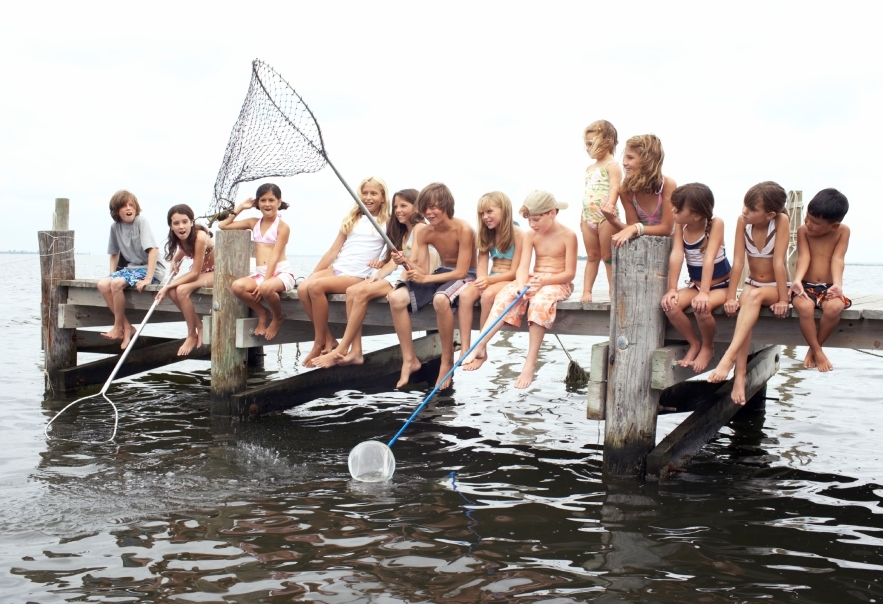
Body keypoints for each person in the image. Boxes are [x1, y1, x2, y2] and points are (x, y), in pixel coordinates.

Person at [462, 191, 578, 389]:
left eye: (536, 219)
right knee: (505, 294)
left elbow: (570, 274)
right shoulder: (531, 235)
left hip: (558, 282)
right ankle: (480, 344)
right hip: (535, 279)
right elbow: (523, 268)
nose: (532, 225)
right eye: (529, 220)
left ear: (552, 213)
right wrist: (521, 285)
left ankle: (529, 363)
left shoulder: (569, 236)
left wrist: (544, 282)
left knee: (539, 303)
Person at [310, 188, 427, 369]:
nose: (398, 210)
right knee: (352, 291)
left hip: (406, 280)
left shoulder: (420, 229)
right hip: (393, 277)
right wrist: (376, 275)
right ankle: (356, 351)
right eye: (396, 206)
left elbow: (415, 263)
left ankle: (341, 348)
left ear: (417, 208)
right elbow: (393, 263)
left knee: (360, 292)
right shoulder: (404, 232)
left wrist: (398, 285)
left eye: (404, 206)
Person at [387, 183, 476, 389]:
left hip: (467, 276)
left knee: (440, 299)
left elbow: (462, 272)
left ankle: (446, 361)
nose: (429, 213)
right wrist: (405, 261)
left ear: (446, 205)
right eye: (425, 208)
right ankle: (409, 359)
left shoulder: (464, 229)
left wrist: (425, 279)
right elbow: (423, 270)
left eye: (434, 207)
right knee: (396, 298)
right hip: (442, 274)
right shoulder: (425, 232)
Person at [708, 181, 790, 404]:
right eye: (745, 205)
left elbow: (779, 262)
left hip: (774, 287)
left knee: (752, 298)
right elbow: (737, 261)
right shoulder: (742, 222)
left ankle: (729, 359)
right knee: (746, 306)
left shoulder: (781, 221)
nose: (745, 211)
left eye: (753, 209)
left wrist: (784, 298)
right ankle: (739, 375)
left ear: (770, 214)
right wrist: (731, 296)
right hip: (752, 283)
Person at [298, 177, 390, 366]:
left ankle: (317, 344)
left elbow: (394, 254)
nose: (368, 197)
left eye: (373, 193)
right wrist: (314, 273)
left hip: (356, 275)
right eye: (365, 193)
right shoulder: (353, 219)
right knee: (303, 288)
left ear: (383, 197)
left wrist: (381, 263)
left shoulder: (387, 223)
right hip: (338, 269)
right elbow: (333, 251)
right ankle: (328, 339)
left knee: (315, 287)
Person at [660, 183, 731, 372]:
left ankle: (708, 346)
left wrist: (705, 293)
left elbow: (709, 258)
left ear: (697, 215)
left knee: (702, 308)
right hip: (696, 286)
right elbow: (677, 255)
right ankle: (694, 343)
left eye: (679, 208)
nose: (673, 210)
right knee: (670, 306)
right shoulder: (681, 226)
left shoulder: (716, 224)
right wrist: (672, 289)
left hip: (721, 286)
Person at [217, 183, 295, 341]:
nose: (267, 204)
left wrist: (265, 281)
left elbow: (274, 256)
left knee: (266, 288)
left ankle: (277, 317)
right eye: (263, 200)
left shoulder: (283, 227)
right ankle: (262, 312)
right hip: (261, 273)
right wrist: (241, 207)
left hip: (280, 273)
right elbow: (223, 225)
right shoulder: (254, 223)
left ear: (279, 202)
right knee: (237, 286)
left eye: (271, 200)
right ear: (257, 203)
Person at [456, 191, 524, 360]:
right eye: (482, 213)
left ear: (504, 210)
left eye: (489, 212)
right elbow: (482, 264)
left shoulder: (518, 234)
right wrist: (481, 280)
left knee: (487, 295)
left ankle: (481, 347)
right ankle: (465, 348)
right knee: (465, 295)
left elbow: (515, 271)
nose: (485, 217)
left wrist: (489, 281)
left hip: (511, 279)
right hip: (492, 278)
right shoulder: (486, 234)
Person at [789, 188, 851, 372]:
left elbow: (837, 259)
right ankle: (818, 350)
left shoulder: (842, 232)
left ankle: (813, 348)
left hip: (829, 286)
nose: (808, 223)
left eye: (815, 222)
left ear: (833, 226)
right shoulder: (803, 231)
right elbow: (804, 258)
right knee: (805, 307)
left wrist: (838, 286)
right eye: (807, 218)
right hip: (805, 285)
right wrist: (797, 280)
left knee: (835, 308)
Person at [97, 190, 166, 350]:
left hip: (151, 269)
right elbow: (114, 254)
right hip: (132, 268)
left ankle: (117, 326)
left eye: (131, 205)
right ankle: (127, 327)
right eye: (123, 206)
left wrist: (148, 278)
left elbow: (153, 250)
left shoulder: (141, 221)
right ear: (116, 211)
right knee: (103, 284)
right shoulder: (115, 227)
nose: (128, 208)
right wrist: (111, 274)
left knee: (116, 284)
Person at [154, 204, 215, 356]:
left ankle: (191, 334)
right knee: (174, 293)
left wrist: (166, 287)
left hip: (217, 272)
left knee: (180, 290)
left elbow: (194, 274)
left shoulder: (199, 237)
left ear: (192, 222)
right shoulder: (180, 238)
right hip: (201, 272)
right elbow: (182, 251)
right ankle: (199, 326)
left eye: (185, 222)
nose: (181, 227)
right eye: (176, 223)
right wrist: (174, 260)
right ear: (170, 226)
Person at [607, 134, 677, 248]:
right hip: (643, 249)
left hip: (668, 250)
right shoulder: (626, 191)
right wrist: (613, 220)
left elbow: (666, 228)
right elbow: (631, 229)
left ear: (647, 160)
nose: (624, 162)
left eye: (630, 157)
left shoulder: (667, 185)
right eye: (624, 157)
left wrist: (636, 228)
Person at [579, 120, 621, 301]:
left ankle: (613, 290)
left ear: (607, 141)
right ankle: (587, 291)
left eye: (590, 144)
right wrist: (583, 215)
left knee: (607, 256)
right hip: (588, 217)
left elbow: (614, 188)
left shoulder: (612, 166)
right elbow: (588, 192)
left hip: (606, 217)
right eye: (586, 144)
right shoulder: (589, 168)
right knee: (592, 255)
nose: (587, 148)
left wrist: (610, 207)